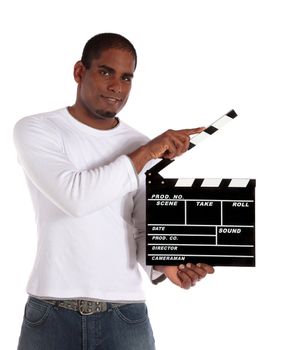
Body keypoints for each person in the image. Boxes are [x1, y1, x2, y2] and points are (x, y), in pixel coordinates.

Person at [14, 33, 214, 350]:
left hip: (125, 315)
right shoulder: (36, 129)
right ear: (80, 71)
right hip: (50, 313)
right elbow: (75, 198)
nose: (116, 87)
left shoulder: (140, 144)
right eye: (106, 72)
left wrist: (165, 264)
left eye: (126, 77)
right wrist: (146, 153)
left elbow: (140, 228)